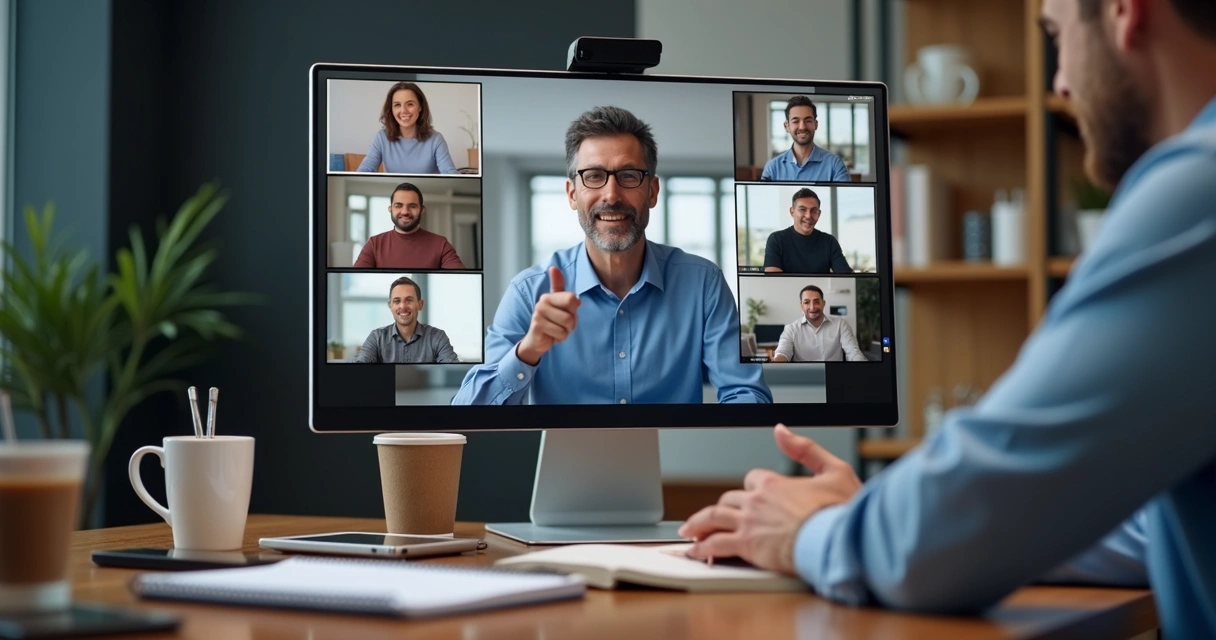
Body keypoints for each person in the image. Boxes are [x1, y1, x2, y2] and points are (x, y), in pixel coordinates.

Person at [680, 0, 1216, 636]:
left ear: (1125, 11)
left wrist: (812, 534)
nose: (1059, 82)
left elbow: (991, 490)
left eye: (1056, 34)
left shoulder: (1199, 187)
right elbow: (1140, 526)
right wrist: (877, 516)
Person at [452, 106, 772, 405]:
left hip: (674, 466)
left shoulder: (703, 284)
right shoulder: (528, 292)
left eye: (629, 175)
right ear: (572, 194)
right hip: (562, 466)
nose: (611, 195)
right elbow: (467, 411)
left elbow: (746, 393)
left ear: (653, 191)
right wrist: (527, 351)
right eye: (593, 176)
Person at [352, 182, 466, 269]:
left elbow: (461, 279)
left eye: (412, 206)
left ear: (422, 210)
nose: (405, 211)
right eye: (398, 205)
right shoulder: (374, 244)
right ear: (390, 209)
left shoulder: (441, 244)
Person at [357, 82, 458, 174]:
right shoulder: (381, 137)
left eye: (410, 104)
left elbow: (449, 173)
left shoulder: (436, 139)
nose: (403, 111)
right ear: (391, 109)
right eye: (397, 105)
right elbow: (365, 169)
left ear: (420, 107)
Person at [354, 276, 458, 364]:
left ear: (420, 305)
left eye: (409, 300)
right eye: (397, 301)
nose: (403, 306)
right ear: (390, 306)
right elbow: (358, 370)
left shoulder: (437, 337)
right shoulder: (376, 338)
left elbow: (454, 370)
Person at [760, 96, 851, 183]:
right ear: (787, 126)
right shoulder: (773, 167)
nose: (802, 127)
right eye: (796, 121)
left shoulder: (835, 164)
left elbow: (844, 197)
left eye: (808, 120)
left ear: (815, 124)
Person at [763, 188, 853, 273]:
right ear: (792, 212)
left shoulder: (829, 242)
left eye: (813, 211)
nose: (808, 216)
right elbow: (772, 280)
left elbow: (846, 277)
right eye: (803, 210)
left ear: (819, 214)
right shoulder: (776, 239)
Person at [771, 285, 865, 362]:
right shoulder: (791, 329)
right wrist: (776, 363)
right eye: (807, 302)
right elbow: (783, 352)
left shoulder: (841, 324)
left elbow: (853, 351)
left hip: (834, 375)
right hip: (803, 378)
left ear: (823, 303)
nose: (812, 307)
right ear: (801, 306)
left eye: (816, 302)